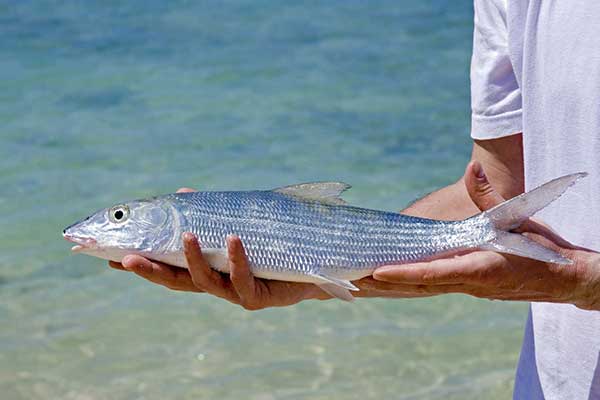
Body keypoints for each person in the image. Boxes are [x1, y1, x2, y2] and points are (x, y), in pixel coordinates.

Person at [109, 1, 600, 398]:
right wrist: (311, 277)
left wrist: (582, 283)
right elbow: (493, 189)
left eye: (119, 217)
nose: (109, 223)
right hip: (554, 381)